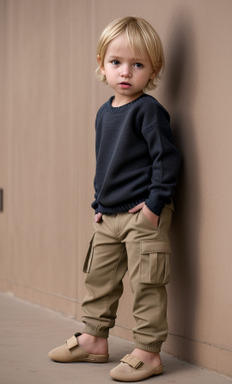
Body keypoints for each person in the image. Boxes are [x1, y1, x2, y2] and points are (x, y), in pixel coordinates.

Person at [48, 16, 181, 382]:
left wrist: (154, 205)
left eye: (138, 65)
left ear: (153, 70)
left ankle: (148, 352)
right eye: (116, 62)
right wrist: (99, 204)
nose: (126, 72)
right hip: (109, 213)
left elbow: (166, 160)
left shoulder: (148, 111)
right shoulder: (105, 112)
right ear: (101, 64)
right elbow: (106, 165)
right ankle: (93, 338)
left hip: (143, 213)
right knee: (99, 277)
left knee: (146, 283)